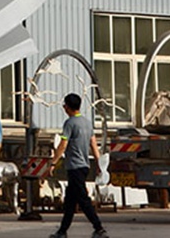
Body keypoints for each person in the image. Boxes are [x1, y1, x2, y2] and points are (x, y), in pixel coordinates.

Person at [45, 93, 109, 238]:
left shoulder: (70, 123)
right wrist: (99, 164)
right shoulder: (87, 123)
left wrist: (53, 163)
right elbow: (94, 145)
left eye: (64, 105)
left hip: (75, 167)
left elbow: (63, 144)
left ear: (67, 107)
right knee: (70, 202)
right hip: (84, 166)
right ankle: (62, 232)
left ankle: (99, 228)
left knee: (83, 200)